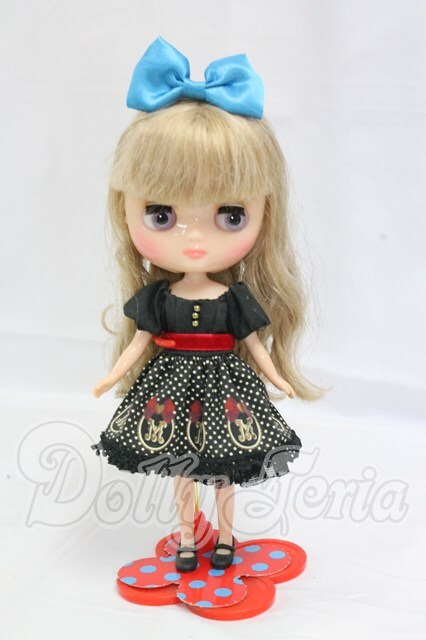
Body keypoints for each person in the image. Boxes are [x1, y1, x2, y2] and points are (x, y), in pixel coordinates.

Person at [91, 37, 324, 573]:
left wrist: (277, 376)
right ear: (125, 210)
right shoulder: (158, 298)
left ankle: (225, 537)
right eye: (162, 215)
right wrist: (113, 376)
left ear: (265, 214)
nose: (195, 239)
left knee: (223, 471)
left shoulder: (235, 298)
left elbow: (253, 344)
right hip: (171, 391)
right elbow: (140, 342)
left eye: (230, 216)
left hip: (225, 390)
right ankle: (185, 537)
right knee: (181, 469)